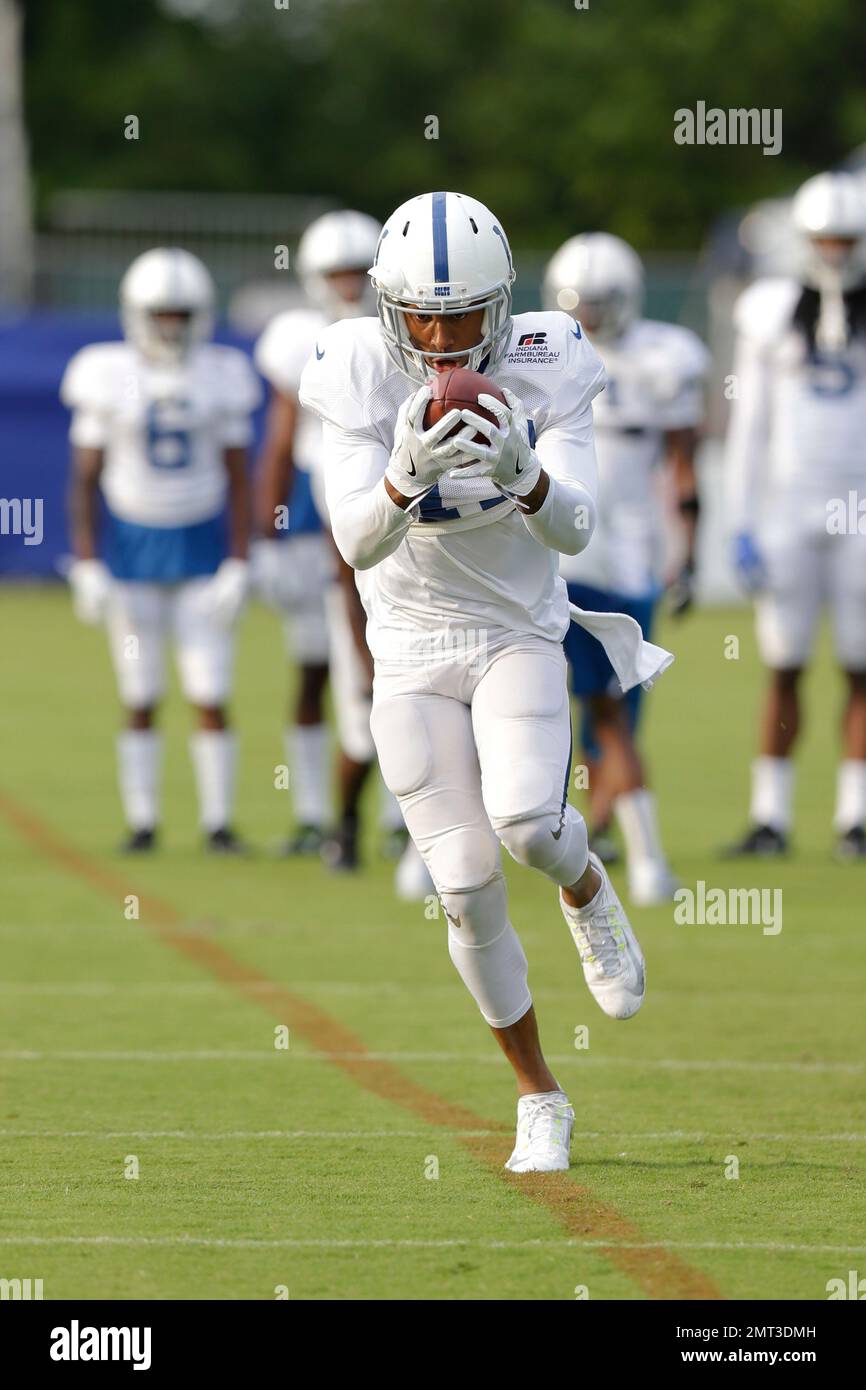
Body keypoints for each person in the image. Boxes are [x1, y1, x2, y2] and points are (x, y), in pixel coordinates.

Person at [299, 191, 672, 1172]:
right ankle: (538, 1095)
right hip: (411, 649)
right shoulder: (351, 364)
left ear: (501, 304)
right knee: (462, 882)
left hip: (514, 631)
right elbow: (352, 540)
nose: (438, 335)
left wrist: (528, 476)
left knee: (528, 826)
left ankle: (587, 886)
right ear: (387, 306)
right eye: (420, 313)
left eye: (461, 314)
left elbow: (577, 528)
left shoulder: (548, 355)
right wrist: (398, 477)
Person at [253, 210, 432, 896]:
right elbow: (279, 438)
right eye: (339, 273)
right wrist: (266, 534)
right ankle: (334, 820)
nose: (352, 285)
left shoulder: (420, 332)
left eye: (363, 271)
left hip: (415, 509)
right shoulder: (306, 339)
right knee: (340, 679)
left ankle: (399, 826)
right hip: (337, 511)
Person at [62, 248, 260, 852]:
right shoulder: (105, 371)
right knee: (140, 693)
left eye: (181, 314)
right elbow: (86, 478)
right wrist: (89, 559)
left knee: (210, 691)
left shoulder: (221, 373)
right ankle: (143, 823)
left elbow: (237, 476)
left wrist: (238, 558)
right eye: (161, 314)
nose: (171, 326)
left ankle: (217, 824)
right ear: (137, 314)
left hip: (201, 549)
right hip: (132, 550)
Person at [542, 232, 709, 903]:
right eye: (579, 304)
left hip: (620, 554)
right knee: (570, 706)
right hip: (563, 554)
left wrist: (689, 555)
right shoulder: (546, 351)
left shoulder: (661, 360)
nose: (589, 317)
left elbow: (686, 469)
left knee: (608, 713)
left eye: (601, 303)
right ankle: (630, 852)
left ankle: (626, 848)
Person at [724, 172, 866, 859]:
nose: (836, 251)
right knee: (783, 662)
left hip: (861, 510)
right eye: (826, 238)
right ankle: (771, 816)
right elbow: (751, 423)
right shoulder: (771, 309)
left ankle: (854, 816)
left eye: (847, 238)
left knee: (860, 663)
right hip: (788, 505)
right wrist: (742, 519)